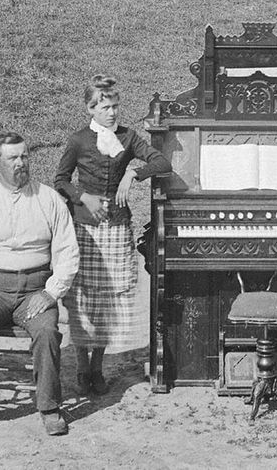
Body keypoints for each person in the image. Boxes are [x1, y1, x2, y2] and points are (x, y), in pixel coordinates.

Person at [0, 133, 81, 436]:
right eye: (13, 158)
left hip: (35, 292)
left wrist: (50, 292)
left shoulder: (49, 199)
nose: (21, 163)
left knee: (47, 332)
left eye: (24, 156)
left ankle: (49, 408)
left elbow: (67, 252)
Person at [54, 74, 172, 397]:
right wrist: (83, 197)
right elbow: (60, 180)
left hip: (117, 229)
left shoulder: (128, 137)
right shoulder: (79, 141)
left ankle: (97, 365)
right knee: (81, 299)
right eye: (105, 107)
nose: (112, 113)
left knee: (107, 301)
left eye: (115, 106)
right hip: (85, 229)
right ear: (90, 109)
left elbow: (162, 162)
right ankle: (81, 365)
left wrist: (133, 173)